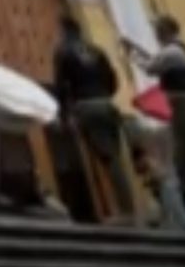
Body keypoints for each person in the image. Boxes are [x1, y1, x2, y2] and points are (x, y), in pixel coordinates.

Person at [125, 15, 185, 229]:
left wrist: (131, 53)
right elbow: (156, 61)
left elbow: (150, 67)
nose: (155, 33)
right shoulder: (173, 52)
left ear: (165, 30)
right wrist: (137, 49)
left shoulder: (172, 51)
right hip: (182, 110)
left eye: (157, 29)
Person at [52, 14, 136, 223]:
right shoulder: (97, 50)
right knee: (114, 157)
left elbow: (61, 85)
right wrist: (105, 96)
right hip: (106, 104)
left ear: (63, 30)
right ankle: (124, 208)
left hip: (85, 106)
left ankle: (123, 212)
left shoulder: (63, 52)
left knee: (102, 158)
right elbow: (112, 79)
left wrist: (63, 114)